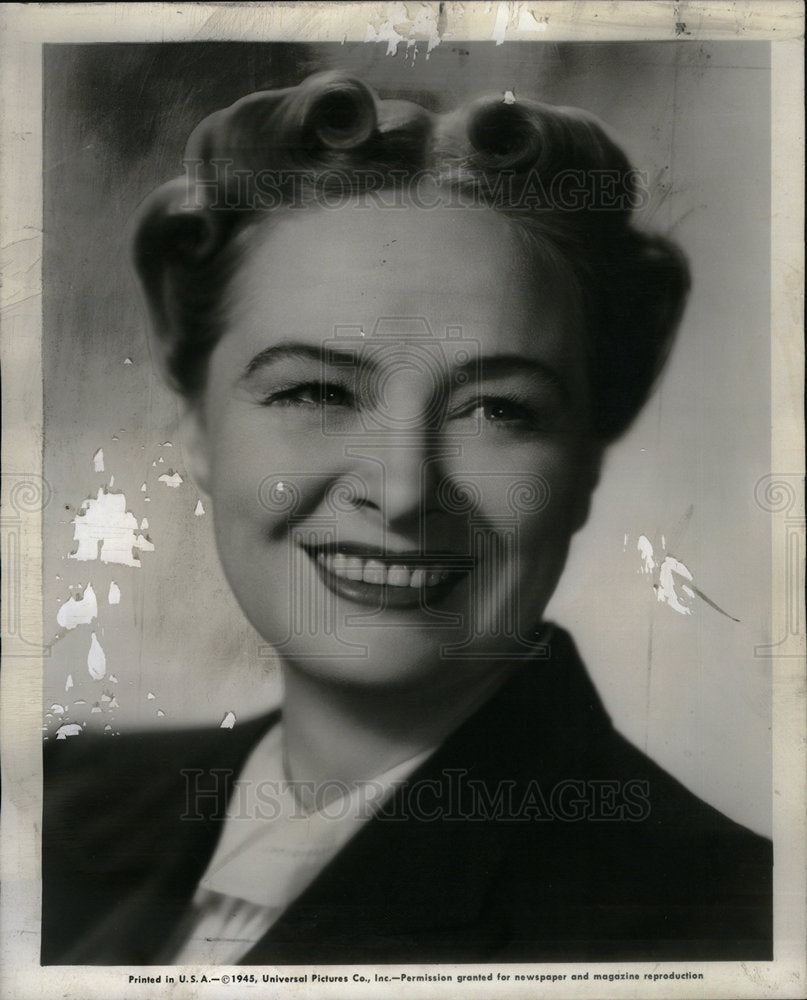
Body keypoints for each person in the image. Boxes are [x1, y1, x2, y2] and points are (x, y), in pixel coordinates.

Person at [42, 70, 772, 965]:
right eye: (315, 390)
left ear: (586, 455)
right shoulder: (58, 798)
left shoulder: (722, 921)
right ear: (198, 422)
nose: (400, 492)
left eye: (498, 409)